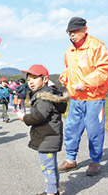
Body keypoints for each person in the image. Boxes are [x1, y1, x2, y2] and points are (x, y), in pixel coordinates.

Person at [58, 17, 108, 176]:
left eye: (75, 31)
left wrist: (86, 83)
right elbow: (69, 69)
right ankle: (70, 160)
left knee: (95, 131)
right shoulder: (69, 51)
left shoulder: (97, 46)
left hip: (94, 98)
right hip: (76, 99)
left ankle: (95, 161)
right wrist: (64, 76)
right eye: (70, 32)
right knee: (71, 129)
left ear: (84, 30)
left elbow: (103, 71)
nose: (72, 35)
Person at [16, 64, 69, 195]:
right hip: (50, 136)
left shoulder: (43, 96)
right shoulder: (50, 93)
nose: (31, 82)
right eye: (28, 80)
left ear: (45, 79)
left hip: (47, 137)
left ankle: (51, 193)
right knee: (51, 166)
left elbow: (40, 116)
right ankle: (53, 190)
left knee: (48, 168)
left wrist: (24, 118)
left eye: (34, 78)